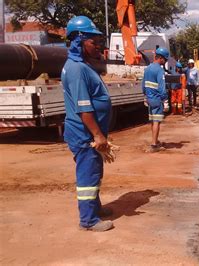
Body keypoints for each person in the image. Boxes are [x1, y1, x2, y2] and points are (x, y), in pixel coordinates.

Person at [61, 16, 113, 232]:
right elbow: (84, 108)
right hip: (84, 135)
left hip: (89, 133)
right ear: (78, 41)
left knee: (95, 170)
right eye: (93, 42)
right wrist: (98, 135)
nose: (98, 46)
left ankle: (95, 208)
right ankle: (88, 220)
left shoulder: (82, 65)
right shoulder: (77, 70)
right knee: (88, 174)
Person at [142, 47, 169, 152]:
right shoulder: (160, 70)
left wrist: (145, 96)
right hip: (157, 99)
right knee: (157, 121)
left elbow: (143, 84)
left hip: (149, 98)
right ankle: (154, 145)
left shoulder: (148, 68)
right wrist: (165, 100)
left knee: (153, 121)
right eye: (165, 60)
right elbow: (162, 88)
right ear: (161, 58)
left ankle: (155, 140)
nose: (165, 62)